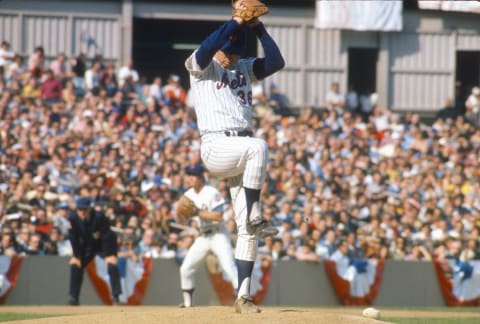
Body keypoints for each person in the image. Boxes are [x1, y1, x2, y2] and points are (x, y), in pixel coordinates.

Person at [184, 7, 284, 313]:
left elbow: (277, 62)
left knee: (246, 231)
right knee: (259, 147)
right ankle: (256, 212)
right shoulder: (200, 66)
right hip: (216, 146)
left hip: (240, 148)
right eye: (227, 51)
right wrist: (237, 21)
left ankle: (243, 296)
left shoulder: (243, 67)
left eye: (235, 52)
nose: (230, 57)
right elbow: (209, 47)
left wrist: (259, 28)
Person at [177, 163, 238, 308]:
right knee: (186, 268)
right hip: (203, 236)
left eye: (193, 175)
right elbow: (183, 221)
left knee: (229, 267)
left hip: (218, 234)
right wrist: (179, 212)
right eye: (189, 175)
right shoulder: (188, 194)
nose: (190, 178)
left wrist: (197, 212)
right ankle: (187, 303)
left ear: (201, 177)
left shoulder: (211, 192)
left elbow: (218, 216)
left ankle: (243, 298)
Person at [67, 196, 122, 306]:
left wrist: (109, 254)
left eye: (84, 209)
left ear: (89, 209)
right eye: (79, 209)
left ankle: (116, 297)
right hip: (85, 247)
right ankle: (73, 297)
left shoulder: (99, 217)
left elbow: (108, 236)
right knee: (75, 265)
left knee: (112, 265)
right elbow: (73, 238)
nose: (81, 212)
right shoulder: (73, 218)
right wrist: (76, 256)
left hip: (102, 245)